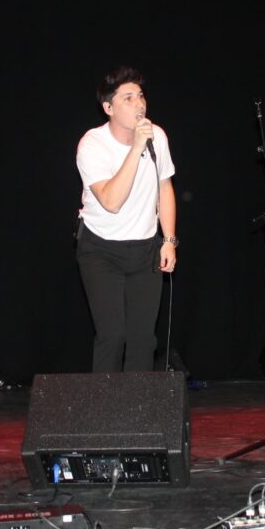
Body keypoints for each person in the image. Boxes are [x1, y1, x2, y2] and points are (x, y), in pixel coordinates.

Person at [75, 67, 177, 372]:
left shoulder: (157, 136)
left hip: (145, 249)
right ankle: (105, 403)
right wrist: (136, 149)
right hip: (101, 249)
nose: (139, 103)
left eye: (141, 96)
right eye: (128, 98)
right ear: (109, 108)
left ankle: (138, 403)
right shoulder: (92, 144)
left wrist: (169, 240)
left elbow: (165, 187)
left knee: (143, 339)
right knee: (112, 336)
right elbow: (111, 201)